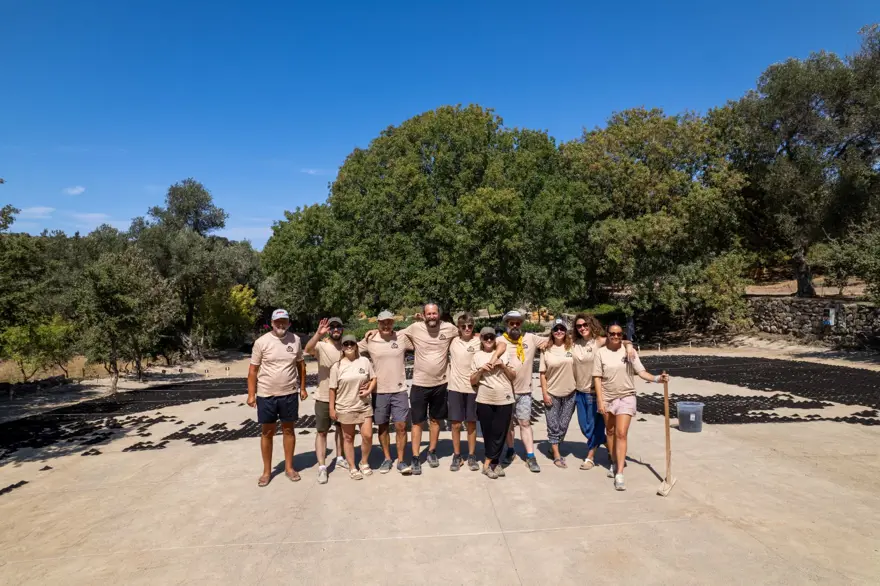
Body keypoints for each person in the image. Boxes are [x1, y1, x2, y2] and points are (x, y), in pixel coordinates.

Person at [378, 302, 504, 475]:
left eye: (434, 313)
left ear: (439, 314)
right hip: (419, 384)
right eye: (428, 314)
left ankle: (432, 451)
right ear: (423, 315)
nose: (432, 316)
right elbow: (391, 334)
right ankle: (415, 457)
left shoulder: (450, 329)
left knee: (436, 420)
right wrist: (373, 333)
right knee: (417, 422)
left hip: (441, 384)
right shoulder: (414, 328)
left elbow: (474, 335)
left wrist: (486, 342)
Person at [592, 323, 669, 491]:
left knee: (621, 433)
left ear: (622, 335)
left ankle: (619, 473)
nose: (616, 336)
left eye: (619, 334)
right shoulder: (601, 353)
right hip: (607, 397)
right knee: (610, 431)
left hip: (627, 396)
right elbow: (597, 377)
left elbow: (641, 372)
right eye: (612, 333)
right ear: (608, 334)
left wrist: (657, 379)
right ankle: (613, 460)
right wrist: (600, 399)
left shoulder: (630, 352)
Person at [247, 309, 308, 487]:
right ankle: (267, 471)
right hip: (266, 395)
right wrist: (251, 394)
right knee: (267, 432)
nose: (281, 325)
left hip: (289, 393)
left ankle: (289, 468)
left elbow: (301, 366)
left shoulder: (295, 340)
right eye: (277, 322)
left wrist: (302, 388)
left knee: (289, 430)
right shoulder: (261, 342)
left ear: (289, 323)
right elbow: (253, 370)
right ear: (272, 323)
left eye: (284, 321)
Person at [571, 313, 635, 471]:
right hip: (579, 390)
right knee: (584, 426)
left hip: (595, 391)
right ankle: (609, 443)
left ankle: (590, 456)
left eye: (585, 325)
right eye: (579, 326)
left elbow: (621, 340)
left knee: (594, 426)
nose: (582, 328)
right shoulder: (573, 343)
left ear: (591, 325)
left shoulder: (599, 341)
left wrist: (629, 347)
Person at [357, 310, 413, 475]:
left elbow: (424, 339)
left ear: (393, 323)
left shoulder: (401, 338)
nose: (386, 325)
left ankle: (401, 461)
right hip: (379, 391)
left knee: (401, 426)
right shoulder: (370, 339)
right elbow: (350, 349)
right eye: (383, 322)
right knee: (382, 427)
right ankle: (387, 458)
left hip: (399, 389)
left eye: (389, 322)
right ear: (378, 324)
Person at [500, 310, 547, 473]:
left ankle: (530, 455)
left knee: (525, 423)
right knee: (507, 425)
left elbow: (557, 340)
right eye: (511, 323)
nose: (514, 326)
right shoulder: (499, 341)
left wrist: (627, 344)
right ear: (506, 324)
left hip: (524, 391)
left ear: (522, 324)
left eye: (518, 323)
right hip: (504, 391)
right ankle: (510, 449)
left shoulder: (531, 338)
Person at [304, 316, 348, 484]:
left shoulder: (348, 346)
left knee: (341, 430)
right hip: (323, 396)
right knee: (322, 431)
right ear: (329, 330)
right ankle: (322, 467)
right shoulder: (322, 346)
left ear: (342, 329)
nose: (335, 330)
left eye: (338, 327)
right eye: (333, 327)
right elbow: (308, 349)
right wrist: (317, 333)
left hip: (343, 396)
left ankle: (339, 457)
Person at [470, 327, 516, 479]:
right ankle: (495, 463)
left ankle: (487, 463)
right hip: (484, 397)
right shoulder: (477, 356)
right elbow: (473, 381)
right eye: (485, 337)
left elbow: (513, 375)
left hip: (504, 397)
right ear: (481, 339)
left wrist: (503, 365)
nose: (489, 340)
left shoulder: (504, 352)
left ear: (495, 338)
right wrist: (481, 370)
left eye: (491, 337)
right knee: (488, 432)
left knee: (500, 431)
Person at [329, 335, 377, 480]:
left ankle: (364, 462)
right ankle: (352, 467)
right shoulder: (337, 366)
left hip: (363, 405)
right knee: (348, 437)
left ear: (356, 345)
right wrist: (332, 408)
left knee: (367, 436)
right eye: (345, 344)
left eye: (351, 344)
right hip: (345, 407)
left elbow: (373, 378)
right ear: (342, 347)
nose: (349, 346)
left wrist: (369, 389)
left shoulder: (364, 361)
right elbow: (332, 389)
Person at [445, 312, 481, 472]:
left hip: (473, 388)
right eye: (463, 326)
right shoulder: (452, 341)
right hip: (455, 388)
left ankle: (472, 455)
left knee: (471, 423)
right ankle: (457, 455)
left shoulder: (479, 341)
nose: (467, 329)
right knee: (456, 424)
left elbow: (499, 344)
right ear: (458, 328)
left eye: (470, 326)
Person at [540, 318, 577, 468]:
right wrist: (544, 393)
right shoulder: (546, 350)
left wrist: (627, 345)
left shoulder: (572, 347)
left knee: (563, 425)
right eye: (556, 329)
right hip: (552, 393)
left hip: (570, 392)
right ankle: (556, 454)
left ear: (566, 330)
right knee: (553, 425)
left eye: (562, 328)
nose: (559, 331)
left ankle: (552, 446)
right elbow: (542, 374)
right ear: (552, 332)